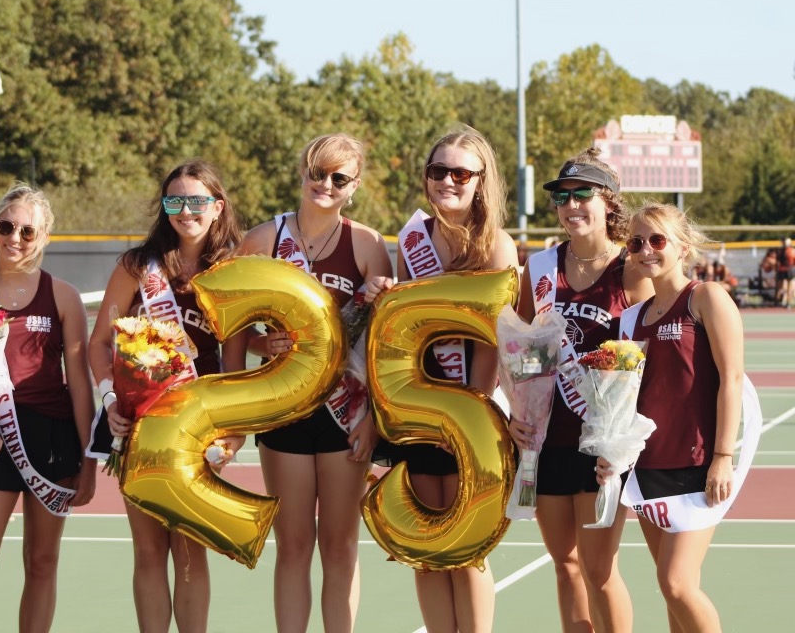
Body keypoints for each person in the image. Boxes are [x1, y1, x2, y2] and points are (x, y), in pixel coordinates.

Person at [364, 126, 518, 632]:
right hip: (415, 405)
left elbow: (496, 339)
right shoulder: (413, 240)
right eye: (438, 171)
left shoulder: (496, 245)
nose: (448, 181)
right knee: (428, 543)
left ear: (481, 180)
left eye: (460, 172)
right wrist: (386, 293)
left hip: (469, 408)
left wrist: (468, 412)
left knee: (466, 545)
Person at [238, 133, 391, 632]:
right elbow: (234, 323)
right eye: (316, 172)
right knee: (295, 543)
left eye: (338, 177)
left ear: (354, 187)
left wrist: (371, 418)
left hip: (347, 412)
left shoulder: (367, 243)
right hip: (283, 406)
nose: (324, 184)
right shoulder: (263, 239)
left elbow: (381, 345)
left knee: (341, 543)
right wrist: (262, 347)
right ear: (303, 172)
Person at [87, 159, 244, 632]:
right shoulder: (139, 266)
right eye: (175, 200)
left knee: (191, 550)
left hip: (200, 430)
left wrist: (232, 435)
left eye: (197, 201)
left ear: (217, 207)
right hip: (141, 427)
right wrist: (111, 397)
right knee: (150, 550)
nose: (185, 210)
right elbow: (99, 343)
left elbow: (235, 363)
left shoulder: (234, 269)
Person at [509, 147, 653, 633]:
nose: (571, 205)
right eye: (562, 197)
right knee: (564, 563)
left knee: (598, 568)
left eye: (582, 194)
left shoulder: (632, 269)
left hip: (603, 446)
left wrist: (626, 440)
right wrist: (522, 400)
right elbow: (527, 347)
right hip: (550, 440)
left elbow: (649, 356)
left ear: (608, 201)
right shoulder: (541, 268)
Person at [0, 184, 96, 633]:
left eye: (27, 231)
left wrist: (89, 458)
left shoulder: (63, 296)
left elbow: (80, 386)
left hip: (52, 441)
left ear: (44, 237)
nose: (15, 238)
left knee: (42, 561)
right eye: (6, 227)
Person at [598, 201, 744, 631]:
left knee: (676, 582)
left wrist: (723, 455)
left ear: (681, 246)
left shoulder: (706, 298)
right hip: (648, 468)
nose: (647, 250)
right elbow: (622, 399)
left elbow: (732, 379)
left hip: (697, 465)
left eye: (657, 240)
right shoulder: (631, 319)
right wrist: (612, 453)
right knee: (672, 591)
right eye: (637, 242)